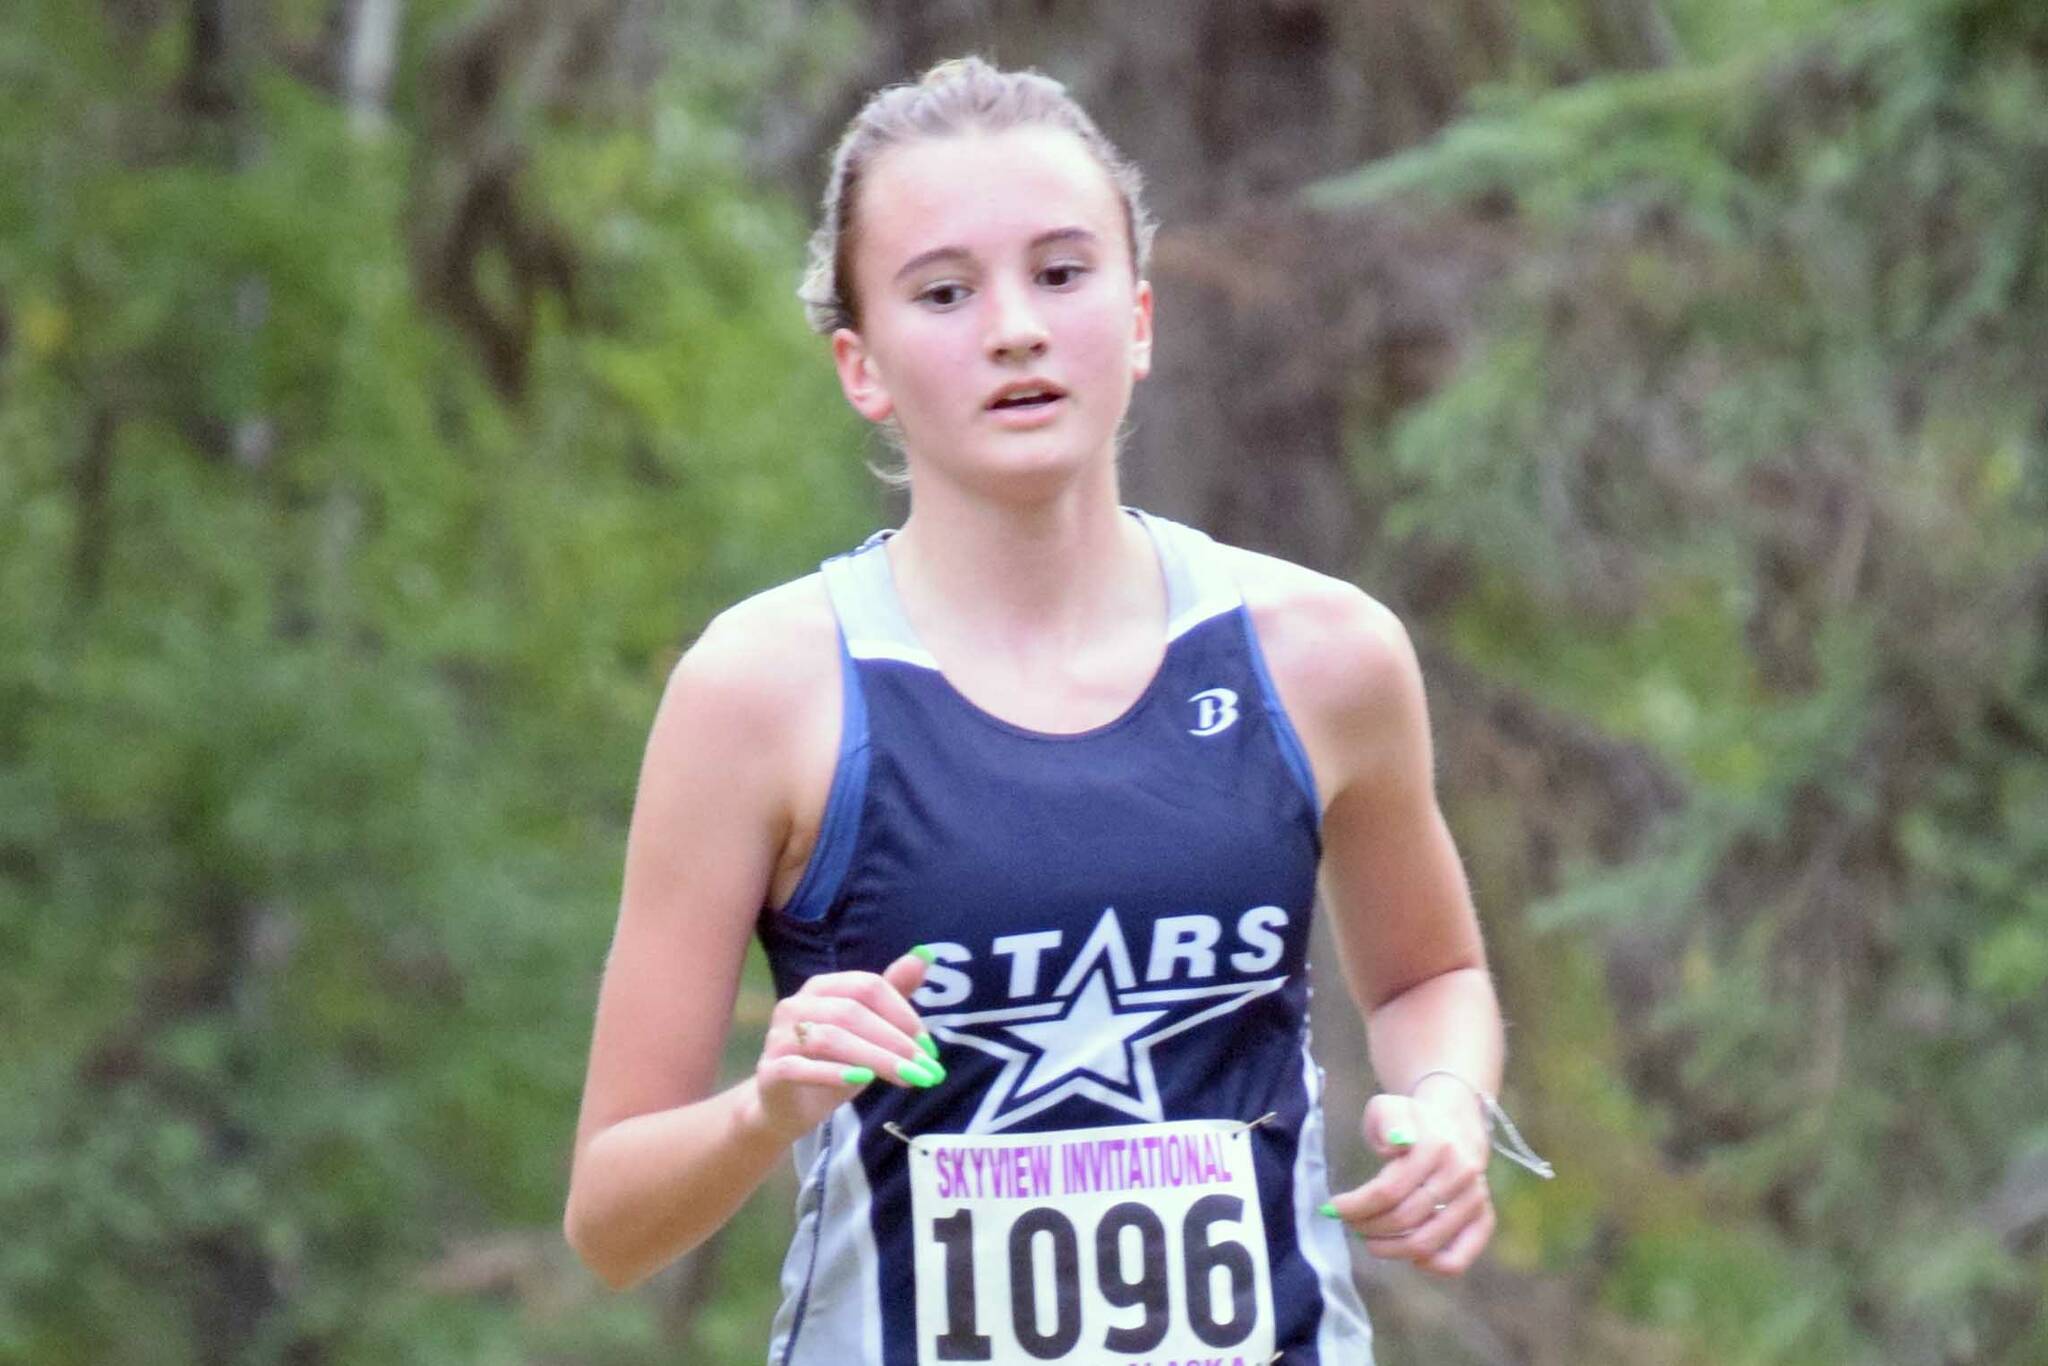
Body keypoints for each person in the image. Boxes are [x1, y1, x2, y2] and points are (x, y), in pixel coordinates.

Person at [564, 55, 1544, 1364]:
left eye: (1062, 273)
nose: (1014, 327)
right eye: (946, 291)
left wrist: (1444, 1106)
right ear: (861, 365)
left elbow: (1435, 975)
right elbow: (611, 1219)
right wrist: (764, 1109)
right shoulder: (764, 692)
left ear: (1138, 321)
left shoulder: (1321, 655)